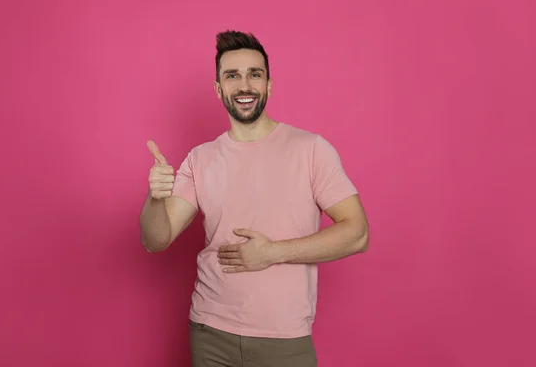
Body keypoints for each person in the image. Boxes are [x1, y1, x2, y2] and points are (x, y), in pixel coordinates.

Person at [140, 30, 369, 367]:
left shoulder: (310, 150)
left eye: (254, 74)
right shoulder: (200, 159)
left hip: (284, 340)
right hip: (210, 333)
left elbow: (358, 233)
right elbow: (155, 240)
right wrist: (155, 198)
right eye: (232, 76)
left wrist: (273, 253)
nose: (244, 85)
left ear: (269, 85)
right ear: (219, 88)